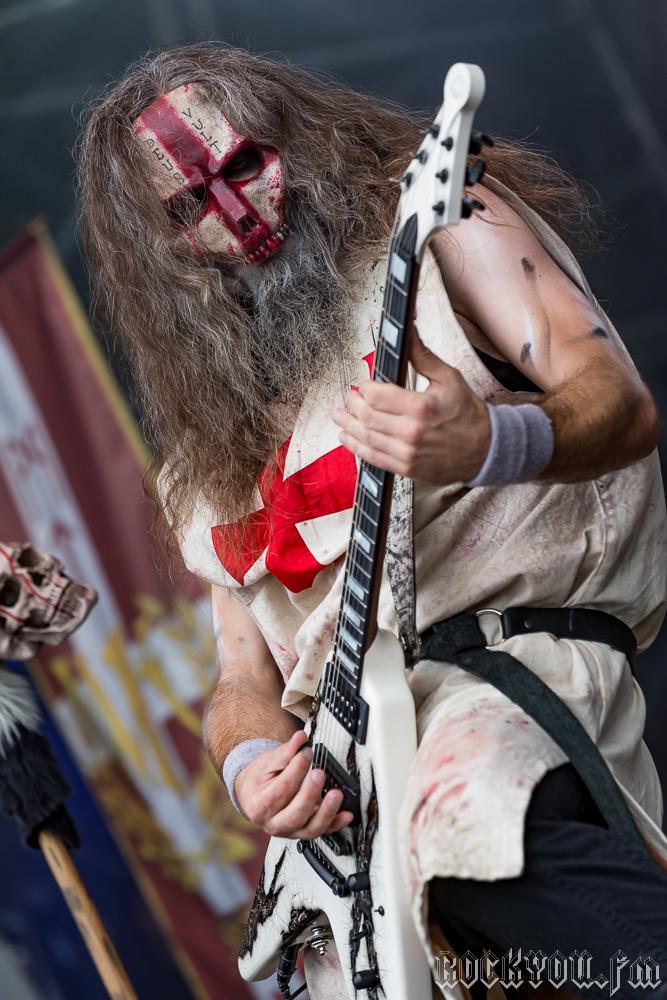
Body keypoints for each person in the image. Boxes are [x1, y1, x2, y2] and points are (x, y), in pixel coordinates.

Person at [77, 43, 667, 997]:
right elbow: (242, 677)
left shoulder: (438, 230)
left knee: (468, 832)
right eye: (189, 206)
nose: (236, 215)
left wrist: (492, 440)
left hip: (500, 680)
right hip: (347, 807)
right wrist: (252, 763)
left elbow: (621, 405)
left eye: (244, 165)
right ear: (160, 248)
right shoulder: (204, 451)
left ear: (296, 139)